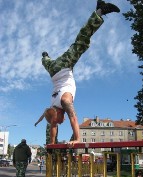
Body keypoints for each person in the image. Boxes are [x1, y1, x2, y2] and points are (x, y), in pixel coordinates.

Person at [34, 0, 120, 145]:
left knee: (81, 42)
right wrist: (52, 144)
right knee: (47, 63)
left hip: (63, 66)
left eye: (60, 121)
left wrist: (77, 139)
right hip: (53, 71)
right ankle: (45, 57)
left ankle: (99, 12)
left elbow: (74, 118)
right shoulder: (51, 109)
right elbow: (50, 124)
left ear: (58, 114)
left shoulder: (65, 101)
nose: (62, 122)